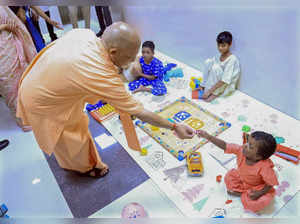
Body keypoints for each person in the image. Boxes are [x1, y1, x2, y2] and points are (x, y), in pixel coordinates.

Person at [17, 22, 195, 178]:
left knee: (76, 123)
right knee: (71, 134)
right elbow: (139, 111)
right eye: (130, 58)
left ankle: (73, 160)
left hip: (38, 77)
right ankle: (85, 168)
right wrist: (174, 126)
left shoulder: (85, 33)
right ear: (113, 52)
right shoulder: (101, 73)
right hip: (42, 98)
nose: (133, 62)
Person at [196, 130, 278, 213]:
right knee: (229, 177)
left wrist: (259, 193)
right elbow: (225, 145)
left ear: (258, 157)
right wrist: (208, 136)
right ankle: (244, 193)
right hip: (242, 178)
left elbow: (270, 184)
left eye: (250, 146)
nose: (245, 145)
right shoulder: (241, 150)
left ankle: (243, 194)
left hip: (256, 186)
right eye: (247, 142)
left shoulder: (265, 167)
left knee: (258, 203)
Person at [0, 6, 37, 131]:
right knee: (8, 81)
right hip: (3, 43)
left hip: (10, 39)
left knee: (21, 74)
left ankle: (32, 113)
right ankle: (23, 119)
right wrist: (4, 27)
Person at [198, 31, 241, 102]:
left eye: (223, 46)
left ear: (230, 45)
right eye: (218, 45)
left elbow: (225, 80)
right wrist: (203, 84)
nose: (220, 48)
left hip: (225, 84)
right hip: (216, 80)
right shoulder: (219, 55)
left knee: (215, 68)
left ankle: (215, 93)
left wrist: (209, 91)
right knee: (208, 62)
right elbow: (210, 68)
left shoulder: (232, 59)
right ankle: (203, 86)